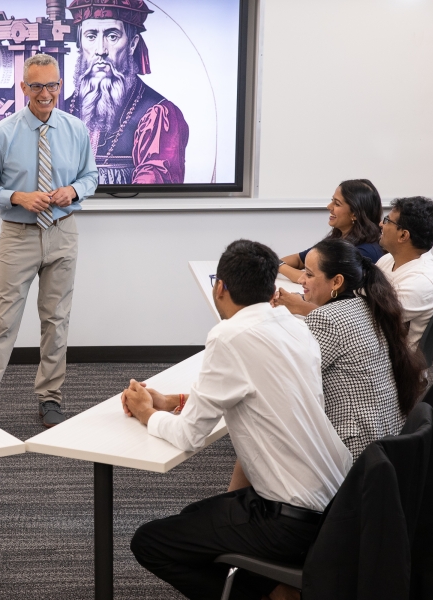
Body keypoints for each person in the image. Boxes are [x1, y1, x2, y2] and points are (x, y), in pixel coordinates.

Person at [124, 240, 352, 600]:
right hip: (337, 499)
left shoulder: (228, 335)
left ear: (220, 287)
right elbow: (255, 394)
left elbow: (189, 437)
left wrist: (147, 413)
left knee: (151, 542)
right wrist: (173, 402)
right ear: (271, 287)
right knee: (194, 515)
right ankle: (278, 588)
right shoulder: (295, 326)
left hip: (288, 519)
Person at [0, 53, 98, 427]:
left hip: (63, 232)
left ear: (61, 85)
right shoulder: (2, 133)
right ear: (24, 88)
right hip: (19, 235)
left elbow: (91, 176)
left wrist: (73, 190)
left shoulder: (76, 130)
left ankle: (50, 399)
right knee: (4, 322)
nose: (46, 93)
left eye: (52, 85)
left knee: (56, 320)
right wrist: (17, 197)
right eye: (37, 85)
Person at [273, 238, 426, 460]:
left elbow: (289, 374)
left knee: (263, 429)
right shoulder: (368, 305)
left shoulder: (327, 319)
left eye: (309, 273)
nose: (302, 279)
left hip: (356, 450)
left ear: (336, 282)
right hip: (388, 440)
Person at [66, 0, 189, 184]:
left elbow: (153, 191)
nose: (101, 50)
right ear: (80, 43)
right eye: (91, 36)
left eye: (112, 36)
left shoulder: (157, 114)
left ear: (132, 44)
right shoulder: (62, 108)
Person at [279, 179, 385, 287]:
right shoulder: (338, 238)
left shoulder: (366, 251)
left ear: (355, 214)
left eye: (337, 204)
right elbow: (299, 260)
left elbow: (316, 281)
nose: (329, 206)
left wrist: (277, 265)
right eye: (332, 200)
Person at [377, 196, 433, 350]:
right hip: (379, 349)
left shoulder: (422, 281)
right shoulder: (388, 259)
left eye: (387, 220)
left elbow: (369, 318)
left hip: (396, 366)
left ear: (403, 235)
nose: (381, 224)